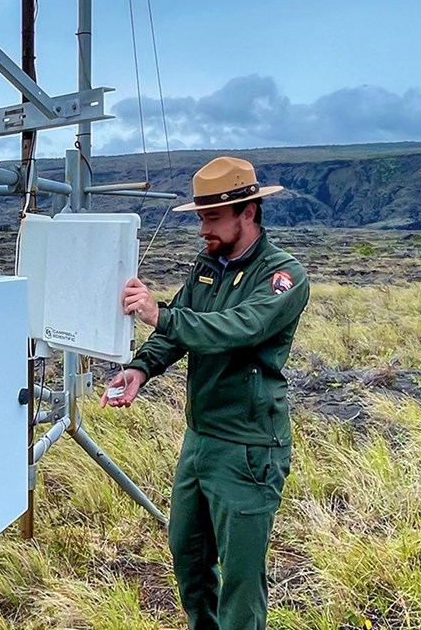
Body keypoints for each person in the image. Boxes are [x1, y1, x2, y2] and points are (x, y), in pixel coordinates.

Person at [103, 156, 309, 630]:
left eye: (212, 217)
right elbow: (180, 327)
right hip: (201, 440)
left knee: (240, 577)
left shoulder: (282, 276)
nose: (203, 229)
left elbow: (239, 328)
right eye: (200, 217)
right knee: (188, 556)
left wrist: (161, 316)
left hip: (249, 446)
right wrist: (141, 368)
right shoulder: (208, 266)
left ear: (248, 212)